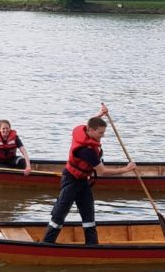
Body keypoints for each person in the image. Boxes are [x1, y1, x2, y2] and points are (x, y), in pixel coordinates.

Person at [42, 105, 136, 245]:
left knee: (88, 215)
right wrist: (126, 169)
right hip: (70, 180)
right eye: (100, 133)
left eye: (103, 132)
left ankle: (92, 246)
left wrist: (101, 114)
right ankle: (47, 244)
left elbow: (91, 121)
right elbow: (102, 172)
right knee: (59, 214)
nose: (102, 136)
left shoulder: (83, 130)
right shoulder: (87, 151)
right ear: (91, 131)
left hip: (83, 181)